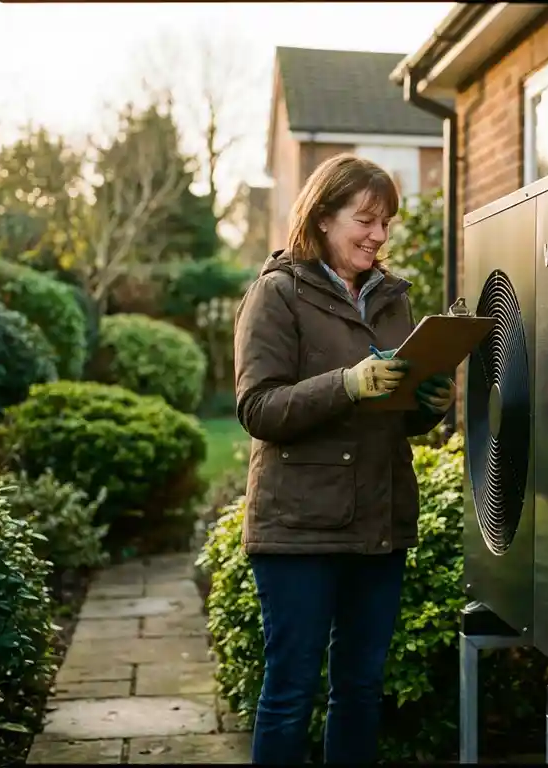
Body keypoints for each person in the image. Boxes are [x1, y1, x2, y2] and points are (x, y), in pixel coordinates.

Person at [232, 153, 455, 764]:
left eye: (386, 223)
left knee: (359, 689)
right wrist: (347, 384)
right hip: (298, 529)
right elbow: (258, 408)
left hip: (377, 525)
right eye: (366, 221)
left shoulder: (392, 299)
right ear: (323, 217)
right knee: (291, 692)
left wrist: (429, 400)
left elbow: (398, 415)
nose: (379, 236)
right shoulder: (276, 294)